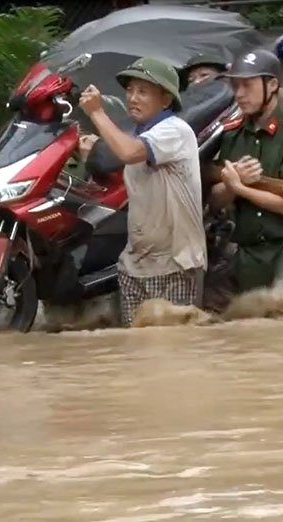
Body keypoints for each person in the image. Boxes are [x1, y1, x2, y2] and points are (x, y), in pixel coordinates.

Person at [78, 57, 207, 326]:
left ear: (166, 100)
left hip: (174, 264)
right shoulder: (140, 136)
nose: (133, 98)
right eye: (130, 90)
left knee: (174, 345)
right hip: (135, 265)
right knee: (136, 346)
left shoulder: (174, 130)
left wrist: (97, 113)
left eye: (143, 91)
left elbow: (129, 152)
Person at [208, 49, 283, 294]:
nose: (239, 94)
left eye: (247, 85)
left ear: (271, 85)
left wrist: (240, 188)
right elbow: (215, 202)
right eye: (235, 86)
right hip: (249, 249)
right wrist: (230, 185)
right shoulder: (231, 134)